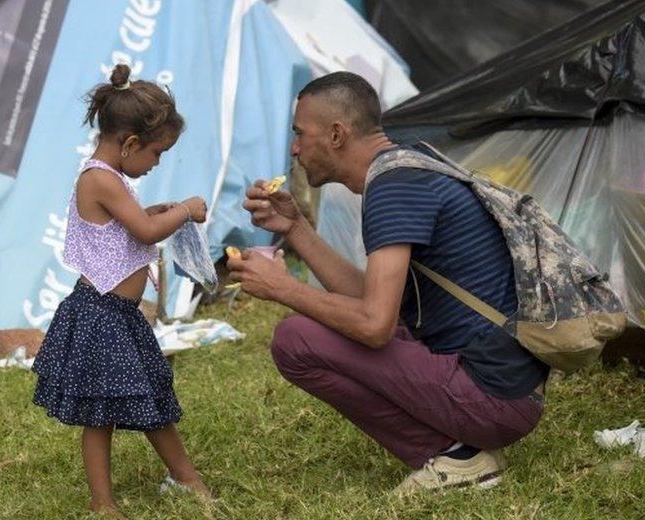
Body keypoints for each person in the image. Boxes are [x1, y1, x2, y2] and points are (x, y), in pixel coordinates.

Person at [227, 72, 549, 494]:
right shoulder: (406, 168)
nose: (294, 148)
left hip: (492, 399)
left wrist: (283, 289)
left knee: (295, 340)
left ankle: (456, 456)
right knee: (336, 326)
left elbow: (374, 325)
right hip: (509, 390)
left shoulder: (393, 188)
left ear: (337, 134)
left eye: (300, 133)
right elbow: (378, 303)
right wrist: (296, 228)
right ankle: (460, 446)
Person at [31, 64, 212, 519]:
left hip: (118, 314)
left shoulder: (112, 181)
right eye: (156, 153)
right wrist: (185, 210)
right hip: (102, 313)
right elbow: (147, 233)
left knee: (148, 397)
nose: (156, 163)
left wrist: (152, 211)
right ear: (130, 144)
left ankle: (184, 478)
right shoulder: (100, 179)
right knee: (101, 414)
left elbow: (129, 226)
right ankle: (104, 503)